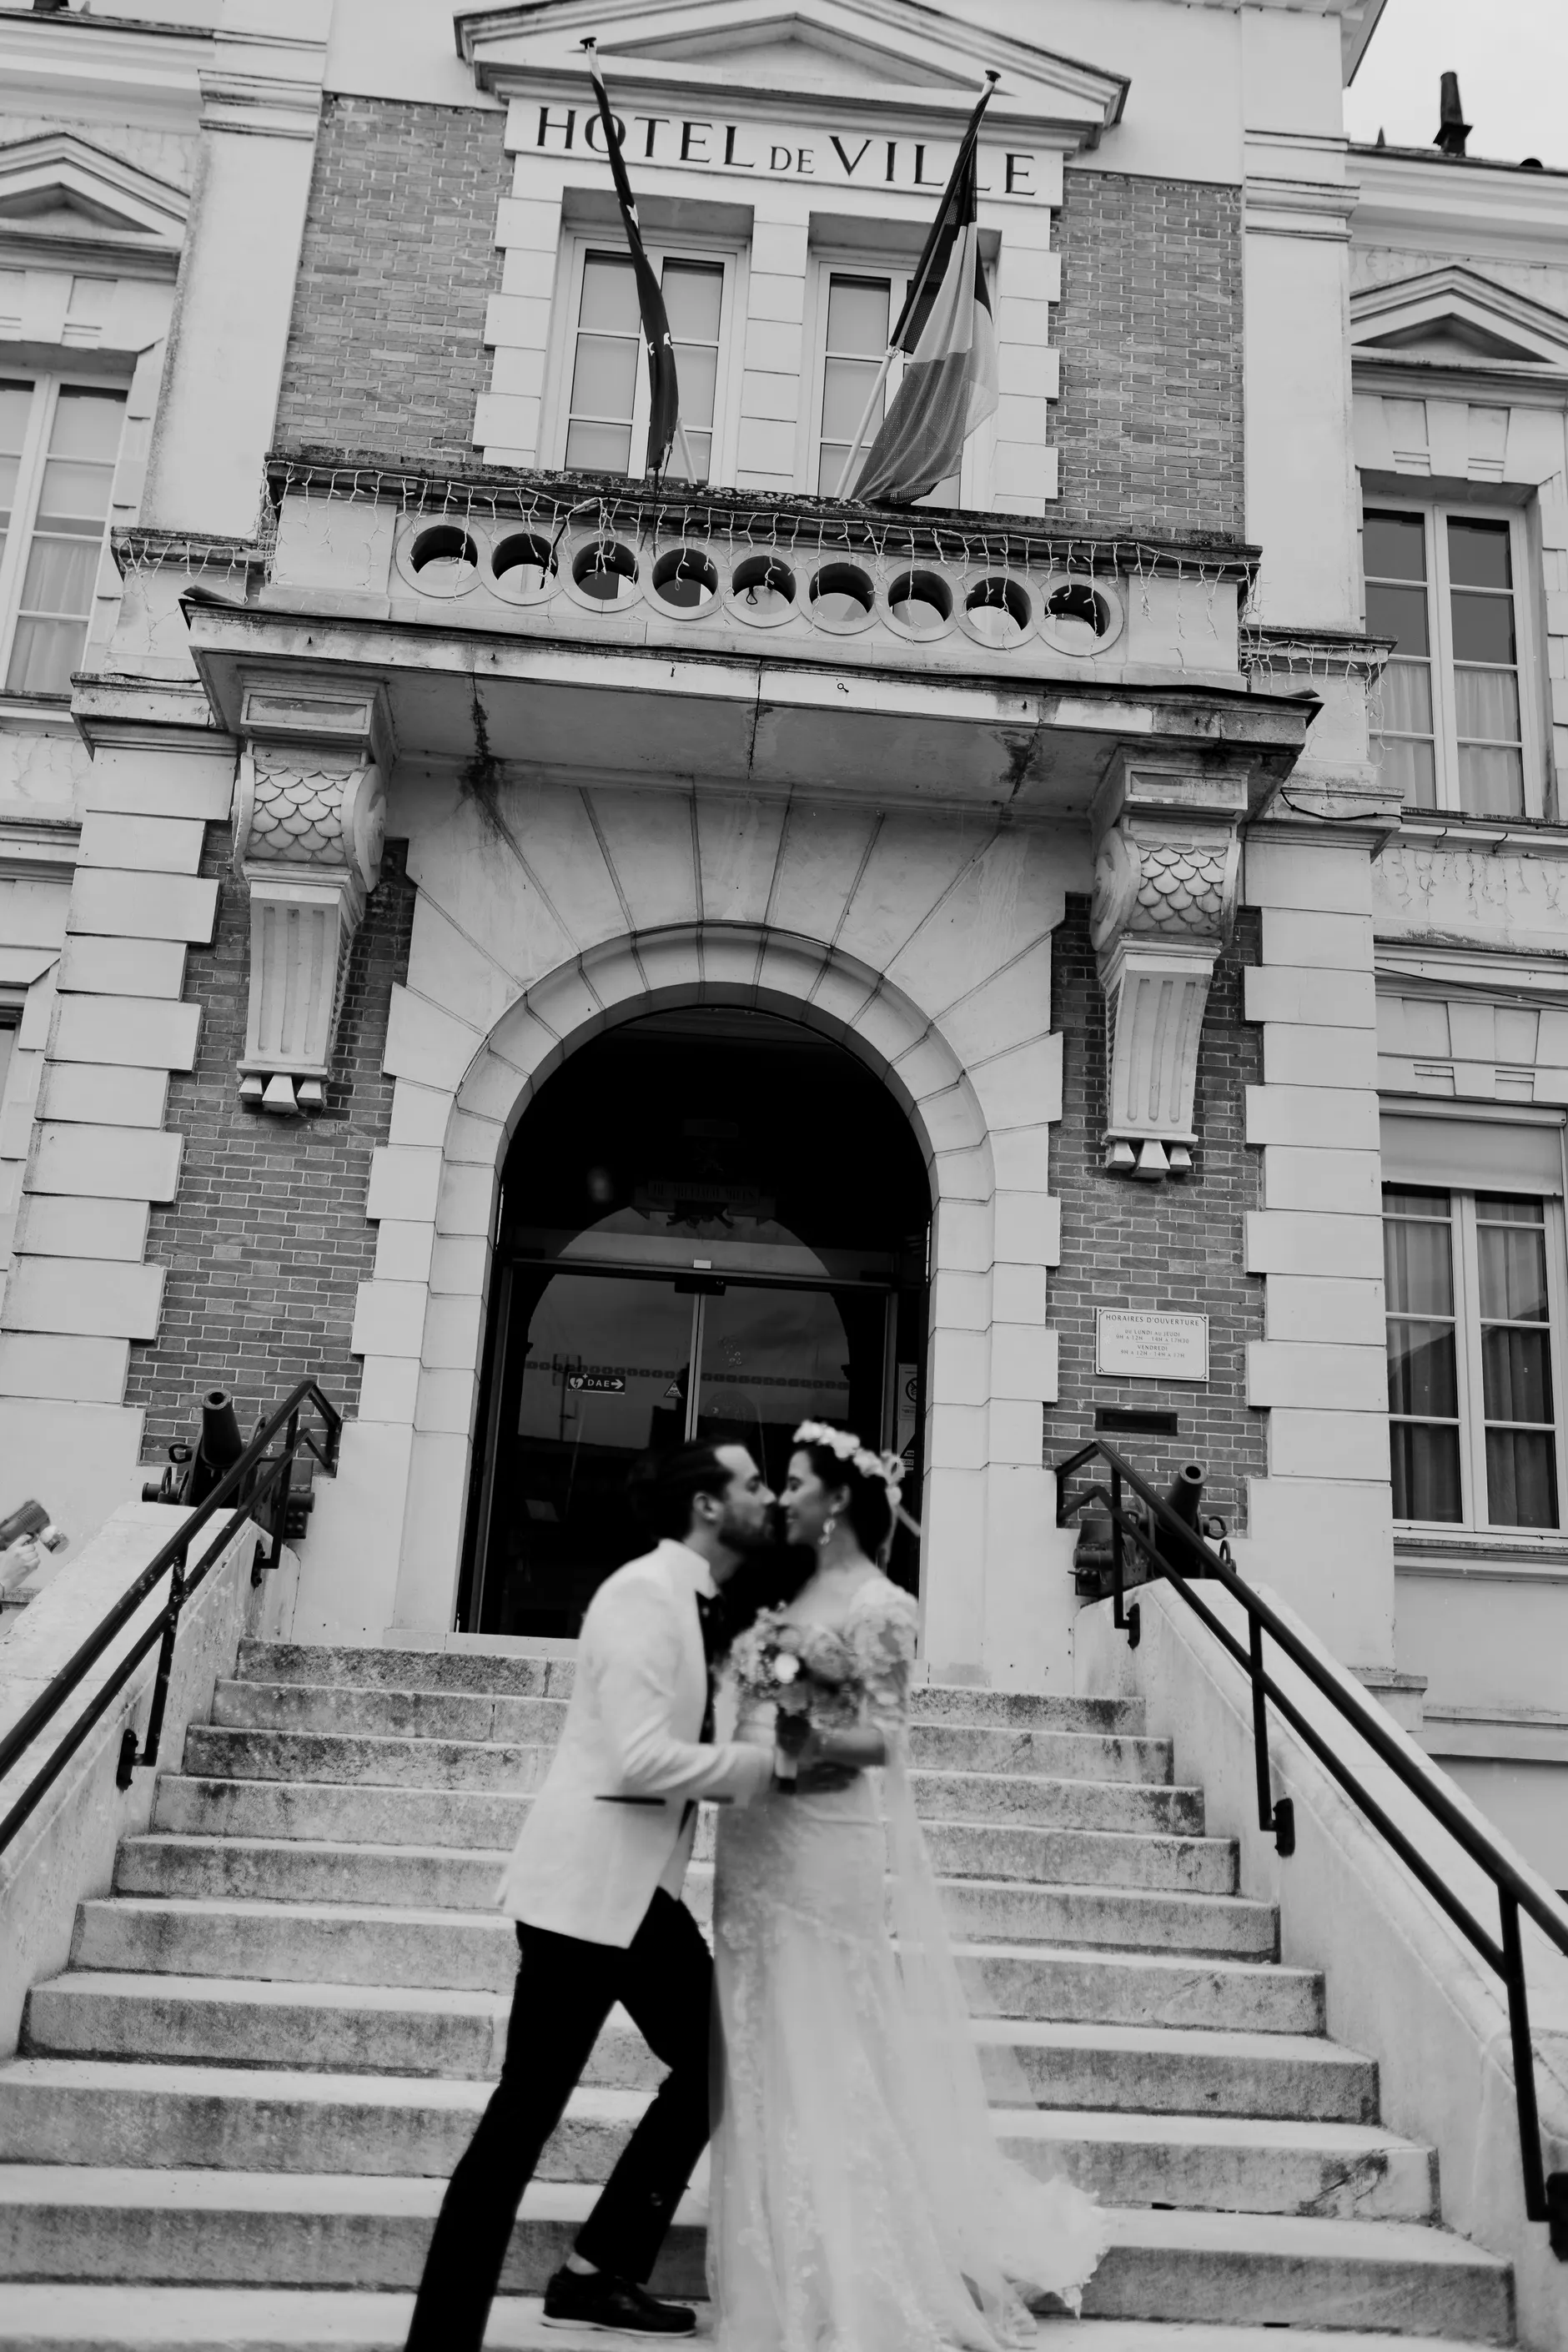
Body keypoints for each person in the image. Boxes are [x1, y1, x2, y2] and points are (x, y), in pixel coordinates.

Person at [404, 1440, 852, 2349]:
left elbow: (722, 1716)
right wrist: (774, 1772)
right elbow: (640, 1760)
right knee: (521, 2121)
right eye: (751, 1482)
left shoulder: (702, 1604)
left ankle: (598, 2272)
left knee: (721, 2060)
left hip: (639, 1897)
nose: (766, 1495)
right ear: (706, 1505)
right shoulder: (641, 1596)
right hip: (584, 1895)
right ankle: (439, 2340)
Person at [708, 1422, 1111, 2350]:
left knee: (828, 2031)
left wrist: (792, 1744)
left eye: (795, 1483)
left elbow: (883, 1740)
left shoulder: (883, 1605)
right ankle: (769, 2237)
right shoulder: (779, 1589)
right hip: (753, 1840)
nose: (782, 1498)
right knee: (758, 2036)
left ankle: (853, 2258)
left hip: (824, 1843)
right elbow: (757, 1692)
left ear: (838, 1500)